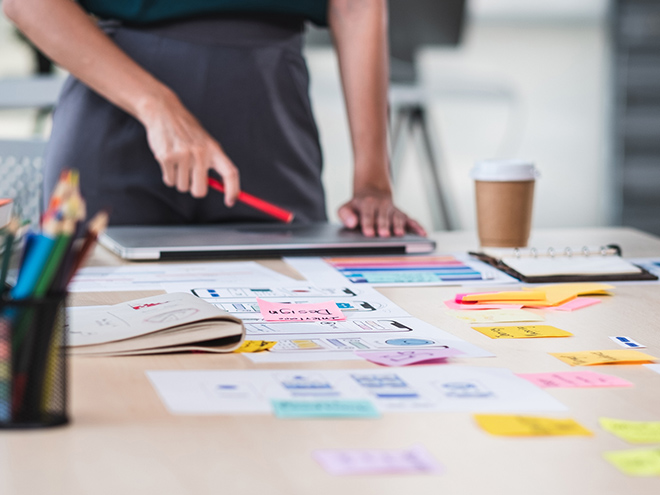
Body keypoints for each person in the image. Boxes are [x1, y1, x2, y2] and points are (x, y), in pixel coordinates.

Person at [4, 0, 426, 238]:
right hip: (117, 113)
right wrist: (155, 104)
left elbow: (355, 7)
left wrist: (372, 181)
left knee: (291, 335)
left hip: (272, 119)